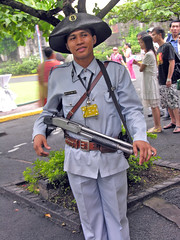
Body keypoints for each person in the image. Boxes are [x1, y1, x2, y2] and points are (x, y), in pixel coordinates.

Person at [33, 13, 156, 240]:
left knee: (118, 220)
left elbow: (132, 110)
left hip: (111, 157)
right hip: (77, 159)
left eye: (83, 35)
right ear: (68, 45)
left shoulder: (115, 72)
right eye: (72, 38)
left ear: (94, 38)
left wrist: (140, 137)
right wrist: (38, 132)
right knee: (90, 222)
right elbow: (49, 113)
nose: (79, 41)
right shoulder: (59, 76)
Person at [152, 27, 180, 133]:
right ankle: (173, 121)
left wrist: (169, 78)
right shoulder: (159, 49)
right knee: (167, 102)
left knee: (173, 102)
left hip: (170, 80)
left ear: (160, 35)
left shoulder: (167, 46)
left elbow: (171, 62)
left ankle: (178, 123)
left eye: (154, 35)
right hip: (162, 79)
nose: (152, 37)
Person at [133, 35, 161, 133]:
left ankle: (157, 126)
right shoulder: (150, 53)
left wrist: (137, 64)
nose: (140, 44)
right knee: (154, 105)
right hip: (149, 79)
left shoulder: (148, 54)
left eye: (141, 42)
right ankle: (156, 125)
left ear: (146, 43)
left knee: (154, 105)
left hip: (149, 81)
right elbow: (143, 67)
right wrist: (137, 63)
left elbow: (141, 69)